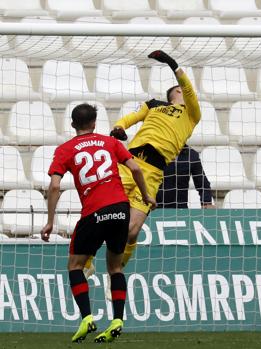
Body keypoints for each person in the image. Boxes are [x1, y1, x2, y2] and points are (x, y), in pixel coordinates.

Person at [40, 103, 155, 343]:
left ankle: (87, 318)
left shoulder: (65, 149)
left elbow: (54, 186)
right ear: (94, 123)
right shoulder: (110, 142)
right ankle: (117, 320)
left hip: (94, 212)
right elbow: (135, 169)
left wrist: (50, 221)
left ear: (72, 125)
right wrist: (145, 196)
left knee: (74, 266)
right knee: (115, 268)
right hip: (120, 210)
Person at [94, 50, 201, 273]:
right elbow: (129, 117)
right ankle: (86, 264)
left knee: (132, 231)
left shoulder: (191, 114)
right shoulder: (152, 105)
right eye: (182, 89)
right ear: (176, 92)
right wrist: (119, 127)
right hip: (129, 163)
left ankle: (116, 272)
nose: (188, 92)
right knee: (105, 216)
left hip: (153, 171)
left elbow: (189, 88)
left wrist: (172, 63)